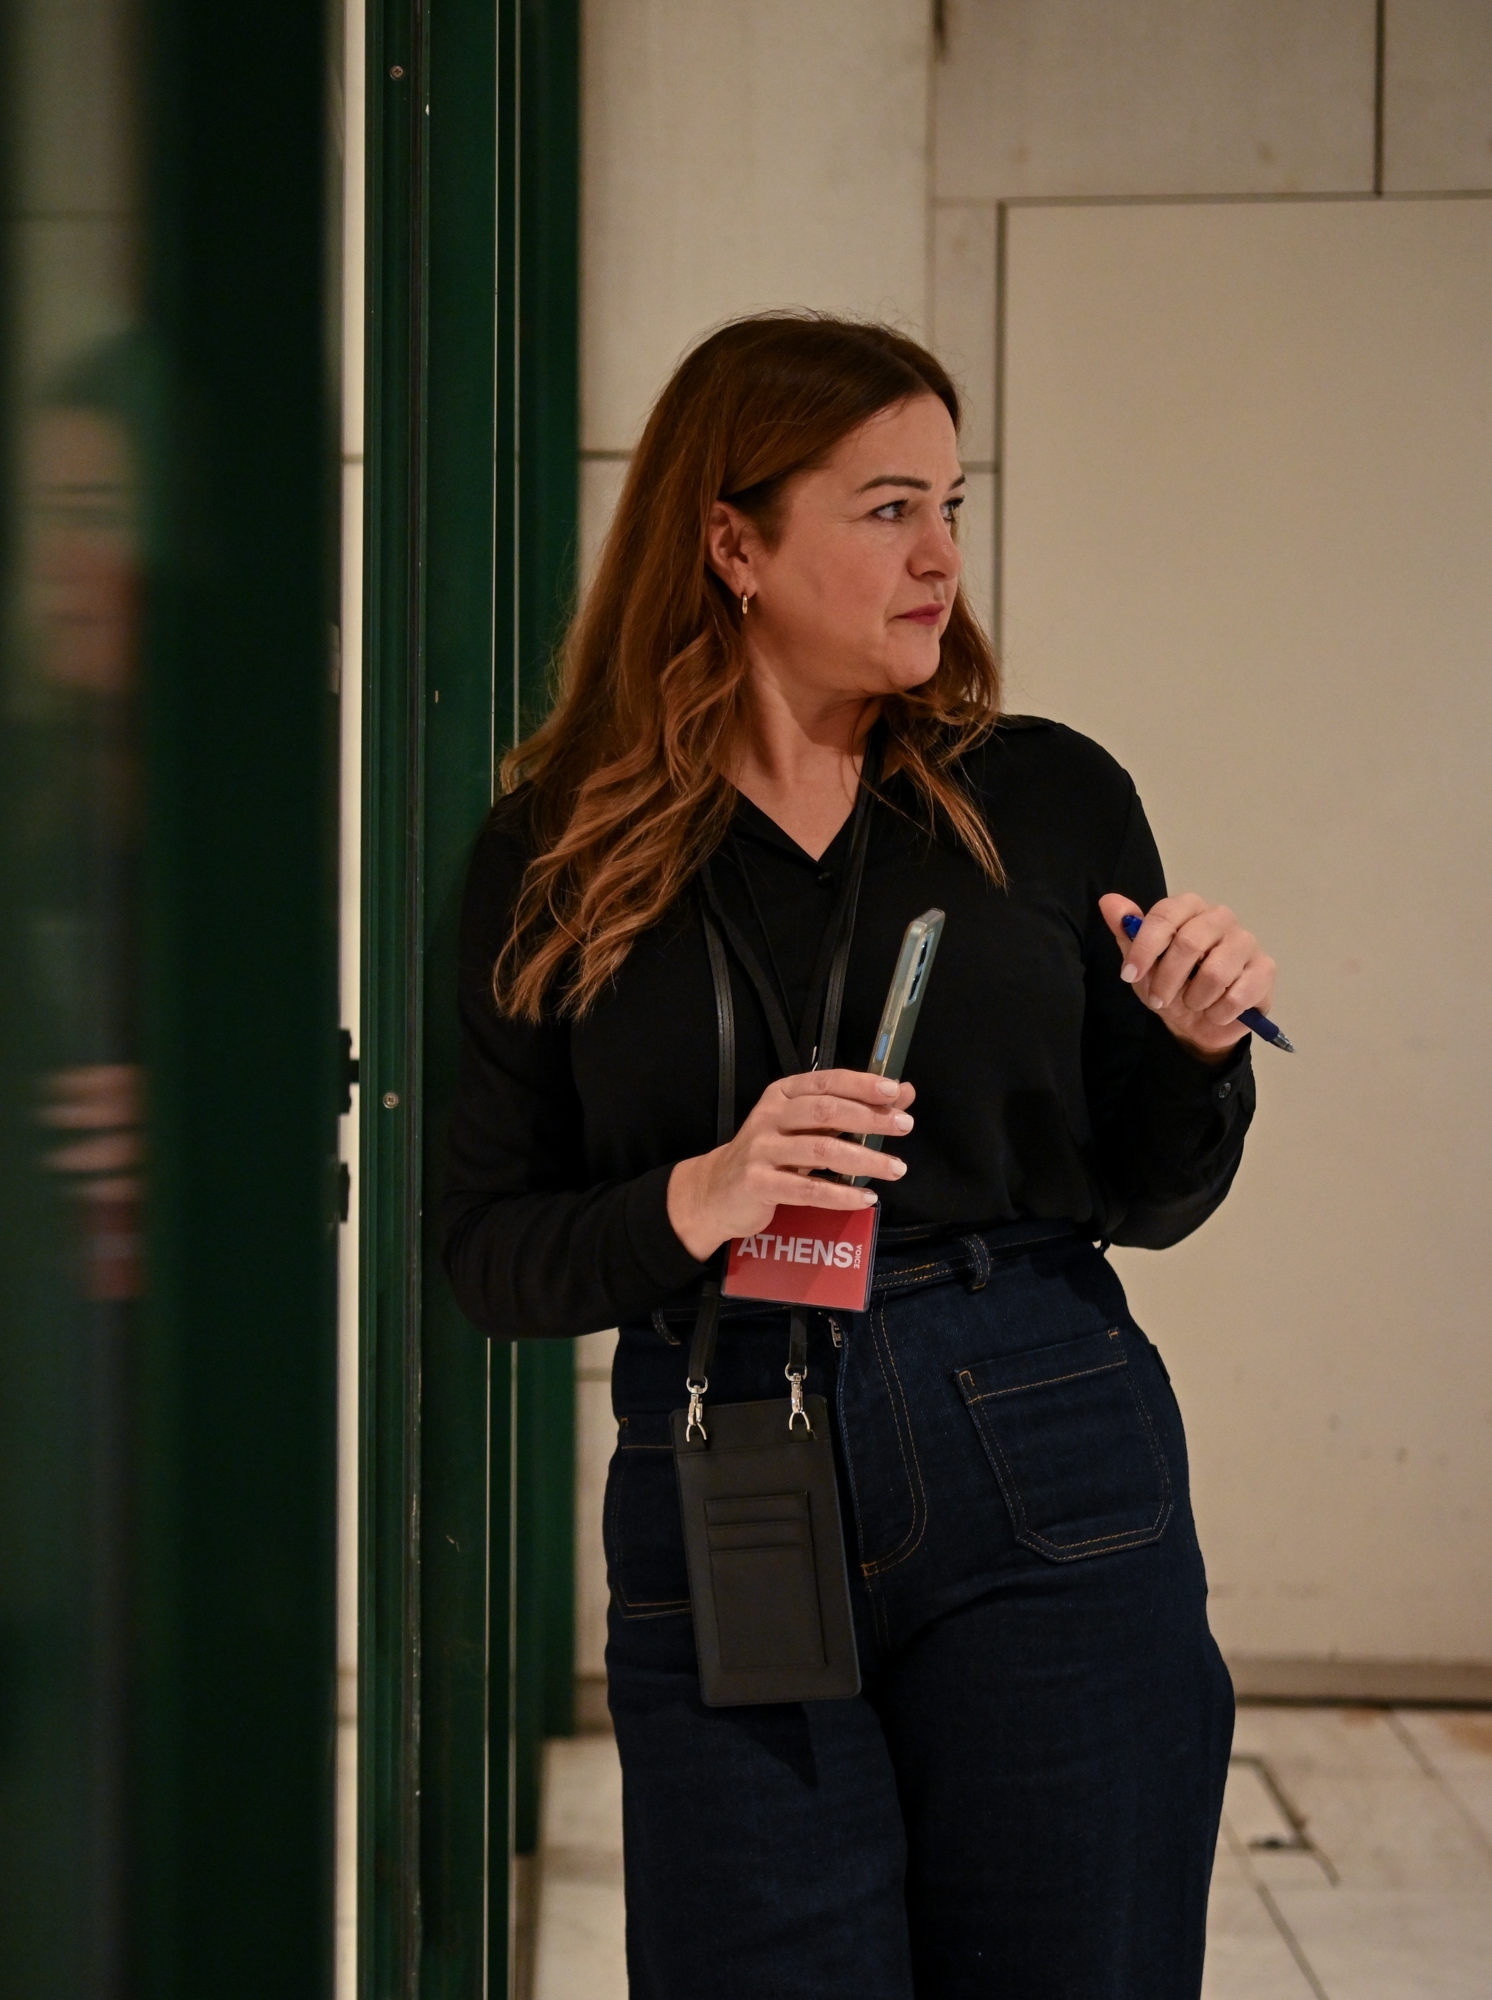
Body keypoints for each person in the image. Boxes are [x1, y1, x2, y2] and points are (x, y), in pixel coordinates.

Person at [439, 315, 1274, 1998]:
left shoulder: (1045, 796)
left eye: (951, 507)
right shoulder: (559, 847)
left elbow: (1152, 1195)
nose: (941, 558)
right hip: (724, 1433)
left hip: (1037, 1419)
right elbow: (484, 1251)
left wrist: (1196, 1050)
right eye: (889, 509)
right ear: (732, 542)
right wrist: (698, 1196)